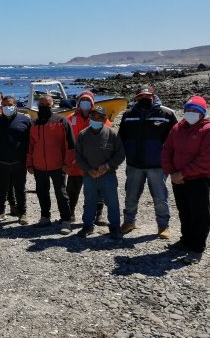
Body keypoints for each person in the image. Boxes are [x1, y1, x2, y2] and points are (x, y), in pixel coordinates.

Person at [118, 87, 178, 239]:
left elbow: (175, 141)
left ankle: (163, 225)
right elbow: (121, 139)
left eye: (147, 95)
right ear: (136, 98)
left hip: (157, 165)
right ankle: (129, 221)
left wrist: (172, 162)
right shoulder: (128, 115)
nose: (144, 98)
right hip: (134, 165)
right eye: (141, 96)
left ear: (153, 95)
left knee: (160, 197)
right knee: (131, 196)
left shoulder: (167, 114)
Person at [161, 96, 210, 264]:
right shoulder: (177, 128)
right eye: (188, 110)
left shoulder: (207, 130)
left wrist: (183, 173)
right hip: (178, 179)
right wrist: (172, 172)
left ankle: (197, 248)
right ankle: (186, 240)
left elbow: (206, 158)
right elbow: (167, 150)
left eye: (195, 111)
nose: (191, 113)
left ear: (203, 113)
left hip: (199, 179)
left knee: (200, 214)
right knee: (184, 211)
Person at [74, 106, 125, 238]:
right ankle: (88, 226)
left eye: (99, 117)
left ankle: (114, 227)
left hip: (108, 175)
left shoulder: (112, 134)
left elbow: (120, 154)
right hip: (89, 176)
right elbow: (78, 157)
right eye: (93, 117)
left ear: (104, 118)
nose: (96, 119)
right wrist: (89, 170)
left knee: (112, 202)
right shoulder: (82, 134)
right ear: (90, 118)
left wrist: (108, 166)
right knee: (89, 201)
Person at [26, 95, 74, 231]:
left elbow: (70, 145)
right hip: (39, 165)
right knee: (42, 192)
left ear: (52, 105)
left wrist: (67, 163)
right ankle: (45, 217)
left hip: (58, 165)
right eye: (41, 104)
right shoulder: (33, 123)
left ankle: (66, 220)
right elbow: (30, 145)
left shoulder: (61, 121)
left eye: (46, 105)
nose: (43, 107)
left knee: (61, 194)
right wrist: (29, 163)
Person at [66, 91, 111, 225]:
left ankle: (98, 215)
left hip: (95, 160)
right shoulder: (70, 118)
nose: (85, 102)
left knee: (98, 189)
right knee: (72, 189)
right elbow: (65, 138)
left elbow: (108, 135)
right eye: (82, 100)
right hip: (75, 161)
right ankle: (70, 213)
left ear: (92, 102)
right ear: (79, 102)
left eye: (88, 100)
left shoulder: (101, 117)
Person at [0, 96, 30, 225]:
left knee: (20, 189)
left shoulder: (25, 120)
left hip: (20, 161)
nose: (7, 107)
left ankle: (22, 213)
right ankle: (0, 212)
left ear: (15, 106)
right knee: (1, 189)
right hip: (1, 162)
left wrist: (29, 159)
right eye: (4, 105)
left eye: (9, 104)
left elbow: (30, 142)